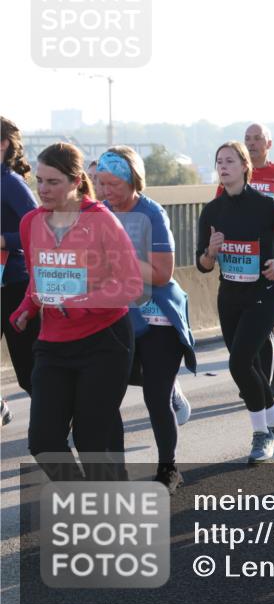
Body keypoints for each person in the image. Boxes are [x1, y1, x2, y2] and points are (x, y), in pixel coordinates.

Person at [11, 143, 142, 481]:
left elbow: (130, 286)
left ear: (75, 181)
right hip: (53, 344)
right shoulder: (30, 223)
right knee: (43, 442)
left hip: (104, 341)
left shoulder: (101, 221)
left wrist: (78, 301)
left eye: (52, 182)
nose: (42, 189)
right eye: (39, 181)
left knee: (92, 440)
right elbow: (38, 277)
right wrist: (28, 307)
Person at [97, 147, 197, 494]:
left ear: (131, 180)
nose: (106, 191)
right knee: (107, 397)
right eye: (101, 184)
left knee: (155, 398)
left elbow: (162, 273)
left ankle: (168, 468)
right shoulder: (101, 213)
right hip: (118, 316)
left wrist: (120, 258)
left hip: (157, 318)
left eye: (113, 184)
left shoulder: (151, 212)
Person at [197, 141, 274, 464]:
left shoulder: (266, 206)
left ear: (244, 166)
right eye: (219, 161)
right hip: (230, 297)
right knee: (248, 367)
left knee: (239, 364)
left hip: (264, 295)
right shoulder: (213, 211)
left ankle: (262, 434)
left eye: (229, 161)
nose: (223, 166)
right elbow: (203, 265)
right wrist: (211, 251)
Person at [217, 124, 274, 399]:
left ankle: (267, 378)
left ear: (269, 144)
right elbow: (220, 212)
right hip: (241, 255)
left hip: (272, 250)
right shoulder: (231, 177)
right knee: (257, 326)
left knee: (269, 318)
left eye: (257, 139)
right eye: (247, 140)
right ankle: (259, 376)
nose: (252, 144)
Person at [1, 117, 39, 425]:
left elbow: (38, 225)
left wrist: (4, 239)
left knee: (27, 370)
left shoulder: (11, 182)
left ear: (3, 145)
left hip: (15, 283)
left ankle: (55, 419)